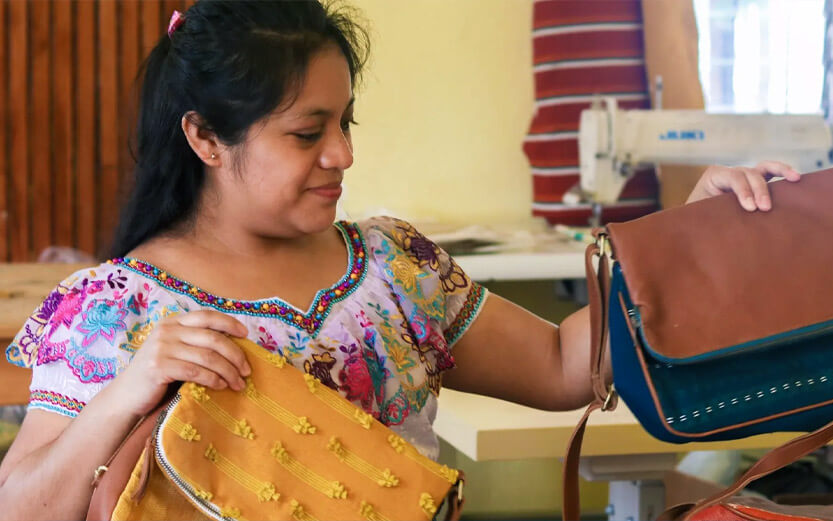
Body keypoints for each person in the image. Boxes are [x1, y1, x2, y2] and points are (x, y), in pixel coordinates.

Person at [0, 1, 801, 518]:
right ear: (206, 138)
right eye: (307, 133)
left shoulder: (390, 266)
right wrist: (127, 392)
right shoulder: (115, 307)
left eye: (347, 121)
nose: (343, 153)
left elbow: (563, 363)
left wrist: (702, 235)